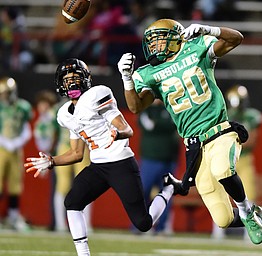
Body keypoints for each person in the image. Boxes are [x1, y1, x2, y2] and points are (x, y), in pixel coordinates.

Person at [117, 18, 262, 245]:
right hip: (194, 145)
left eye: (158, 41)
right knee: (222, 218)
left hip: (220, 131)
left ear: (174, 39)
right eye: (151, 43)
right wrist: (126, 79)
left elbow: (236, 38)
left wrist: (210, 29)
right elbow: (136, 106)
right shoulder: (150, 73)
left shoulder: (195, 49)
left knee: (223, 169)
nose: (153, 47)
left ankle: (245, 211)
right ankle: (257, 214)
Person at [24, 58, 180, 256]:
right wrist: (52, 161)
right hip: (98, 166)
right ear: (59, 83)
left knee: (143, 223)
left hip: (120, 162)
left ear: (86, 79)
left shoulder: (98, 94)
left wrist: (118, 134)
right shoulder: (64, 113)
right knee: (72, 202)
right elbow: (77, 153)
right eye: (67, 79)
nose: (71, 83)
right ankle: (83, 254)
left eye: (75, 77)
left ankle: (170, 188)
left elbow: (127, 129)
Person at [212, 84, 262, 240]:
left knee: (249, 195)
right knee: (221, 195)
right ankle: (218, 231)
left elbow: (252, 141)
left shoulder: (251, 116)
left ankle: (251, 233)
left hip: (244, 159)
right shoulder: (225, 114)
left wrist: (231, 141)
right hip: (227, 158)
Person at [135, 98, 180, 235]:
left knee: (166, 194)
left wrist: (159, 124)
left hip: (169, 158)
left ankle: (163, 226)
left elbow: (173, 125)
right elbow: (149, 126)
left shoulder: (171, 108)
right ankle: (142, 225)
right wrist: (164, 125)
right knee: (143, 193)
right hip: (150, 159)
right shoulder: (145, 110)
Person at [0, 76, 32, 231]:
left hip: (16, 149)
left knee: (15, 185)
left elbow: (26, 127)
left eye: (5, 93)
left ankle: (13, 218)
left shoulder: (22, 106)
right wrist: (5, 142)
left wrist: (17, 142)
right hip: (0, 148)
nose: (3, 96)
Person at [33, 90, 60, 230]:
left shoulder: (52, 116)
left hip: (56, 156)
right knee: (54, 189)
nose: (40, 107)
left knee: (58, 189)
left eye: (43, 104)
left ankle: (57, 222)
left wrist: (49, 154)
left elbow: (55, 135)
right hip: (49, 155)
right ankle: (55, 221)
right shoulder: (43, 118)